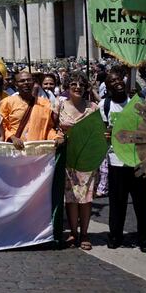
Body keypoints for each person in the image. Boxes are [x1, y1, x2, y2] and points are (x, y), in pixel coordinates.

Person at [101, 68, 146, 252]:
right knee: (117, 202)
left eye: (119, 79)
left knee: (142, 203)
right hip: (116, 160)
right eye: (112, 81)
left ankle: (145, 239)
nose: (117, 82)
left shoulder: (136, 101)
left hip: (138, 159)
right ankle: (115, 236)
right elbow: (102, 130)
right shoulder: (104, 105)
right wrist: (105, 135)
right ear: (107, 87)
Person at [53, 73, 98, 250]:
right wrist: (60, 134)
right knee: (70, 197)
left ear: (86, 87)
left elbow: (97, 133)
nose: (77, 87)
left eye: (81, 84)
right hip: (67, 157)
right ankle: (73, 232)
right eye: (73, 83)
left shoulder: (93, 108)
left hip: (86, 157)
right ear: (67, 86)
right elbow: (53, 127)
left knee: (85, 198)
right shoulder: (59, 105)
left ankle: (85, 233)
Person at [0, 70, 60, 149]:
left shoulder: (44, 103)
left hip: (36, 150)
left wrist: (56, 137)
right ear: (16, 85)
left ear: (33, 83)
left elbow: (47, 128)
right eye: (22, 81)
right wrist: (13, 138)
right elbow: (2, 127)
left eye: (29, 80)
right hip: (14, 149)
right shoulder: (7, 102)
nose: (26, 83)